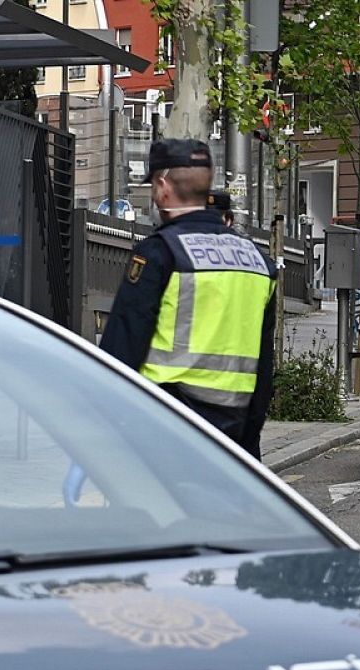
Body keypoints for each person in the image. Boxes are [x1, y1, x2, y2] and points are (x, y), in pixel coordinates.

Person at [99, 139, 278, 458]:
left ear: (162, 186)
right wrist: (247, 446)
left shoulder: (160, 253)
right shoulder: (258, 263)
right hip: (233, 437)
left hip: (163, 434)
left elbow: (120, 354)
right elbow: (264, 370)